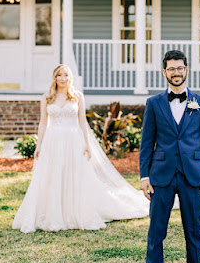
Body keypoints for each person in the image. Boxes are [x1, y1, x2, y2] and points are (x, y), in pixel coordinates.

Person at [12, 64, 149, 233]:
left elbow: (83, 122)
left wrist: (86, 143)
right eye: (59, 75)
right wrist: (39, 145)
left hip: (73, 140)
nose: (63, 78)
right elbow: (43, 123)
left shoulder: (77, 96)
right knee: (53, 175)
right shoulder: (47, 97)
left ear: (70, 78)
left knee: (75, 175)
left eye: (66, 75)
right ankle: (54, 213)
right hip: (53, 140)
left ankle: (76, 211)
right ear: (54, 78)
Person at [140, 50, 200, 263]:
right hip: (161, 176)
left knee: (194, 230)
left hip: (193, 176)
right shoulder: (154, 104)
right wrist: (145, 177)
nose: (176, 72)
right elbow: (147, 143)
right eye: (171, 69)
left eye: (180, 68)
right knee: (156, 231)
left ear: (186, 70)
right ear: (164, 72)